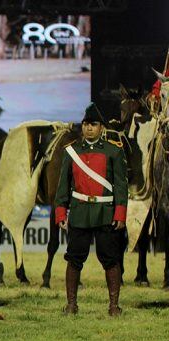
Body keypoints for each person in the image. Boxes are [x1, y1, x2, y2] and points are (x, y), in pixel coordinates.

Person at [54, 103, 128, 316]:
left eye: (93, 125)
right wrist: (61, 212)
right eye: (86, 124)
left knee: (110, 260)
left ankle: (113, 306)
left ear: (101, 128)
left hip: (105, 213)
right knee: (74, 259)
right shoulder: (71, 151)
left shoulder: (114, 151)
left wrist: (120, 213)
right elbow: (62, 186)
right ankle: (71, 305)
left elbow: (120, 186)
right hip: (79, 213)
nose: (89, 128)